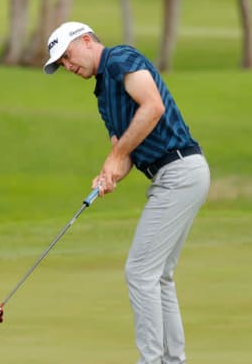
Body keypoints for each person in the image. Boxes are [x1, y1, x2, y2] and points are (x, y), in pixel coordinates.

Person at [43, 21, 210, 364]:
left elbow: (153, 107)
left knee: (140, 272)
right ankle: (170, 361)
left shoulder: (119, 59)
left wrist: (116, 157)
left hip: (179, 169)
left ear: (86, 41)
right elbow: (124, 152)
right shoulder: (103, 96)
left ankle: (151, 361)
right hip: (175, 174)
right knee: (159, 276)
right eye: (62, 65)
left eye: (68, 57)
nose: (69, 67)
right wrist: (109, 174)